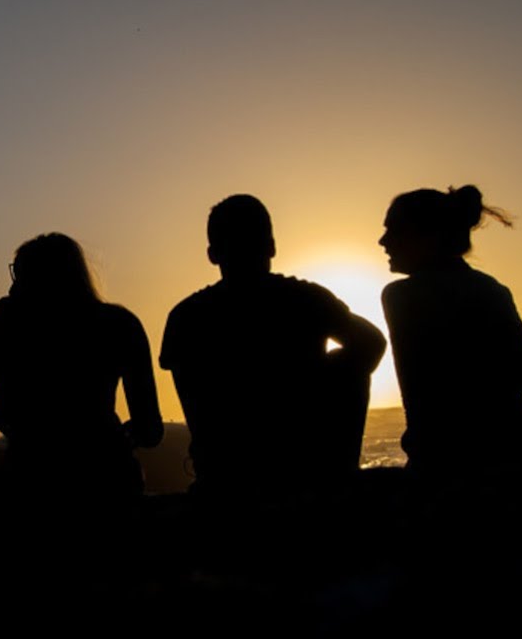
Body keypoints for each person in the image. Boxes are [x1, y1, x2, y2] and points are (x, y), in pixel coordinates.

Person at [160, 195, 386, 495]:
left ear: (212, 254)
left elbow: (191, 395)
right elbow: (373, 342)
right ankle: (339, 470)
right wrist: (326, 374)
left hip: (223, 472)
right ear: (271, 247)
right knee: (351, 368)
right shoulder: (308, 299)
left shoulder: (185, 316)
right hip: (302, 463)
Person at [379, 185, 522, 477]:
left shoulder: (402, 296)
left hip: (454, 464)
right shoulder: (492, 290)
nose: (383, 241)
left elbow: (421, 404)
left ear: (428, 236)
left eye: (393, 230)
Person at [0, 233, 163, 500]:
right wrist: (113, 437)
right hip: (107, 477)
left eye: (19, 276)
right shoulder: (121, 324)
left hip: (29, 475)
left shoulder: (6, 319)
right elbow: (150, 431)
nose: (12, 289)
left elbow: (5, 411)